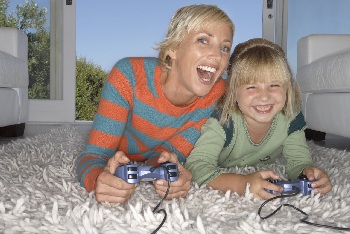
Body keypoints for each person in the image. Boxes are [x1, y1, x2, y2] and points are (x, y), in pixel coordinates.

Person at [76, 4, 234, 204]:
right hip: (119, 147)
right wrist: (98, 179)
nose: (218, 56)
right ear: (173, 48)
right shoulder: (128, 76)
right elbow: (93, 154)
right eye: (203, 40)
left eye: (225, 48)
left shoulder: (217, 92)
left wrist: (174, 173)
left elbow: (166, 155)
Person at [185, 38, 332, 200]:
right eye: (251, 87)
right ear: (233, 93)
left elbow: (298, 161)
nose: (264, 96)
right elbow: (196, 167)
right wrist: (242, 184)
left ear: (287, 88)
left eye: (274, 85)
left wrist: (308, 173)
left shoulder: (291, 117)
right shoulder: (222, 121)